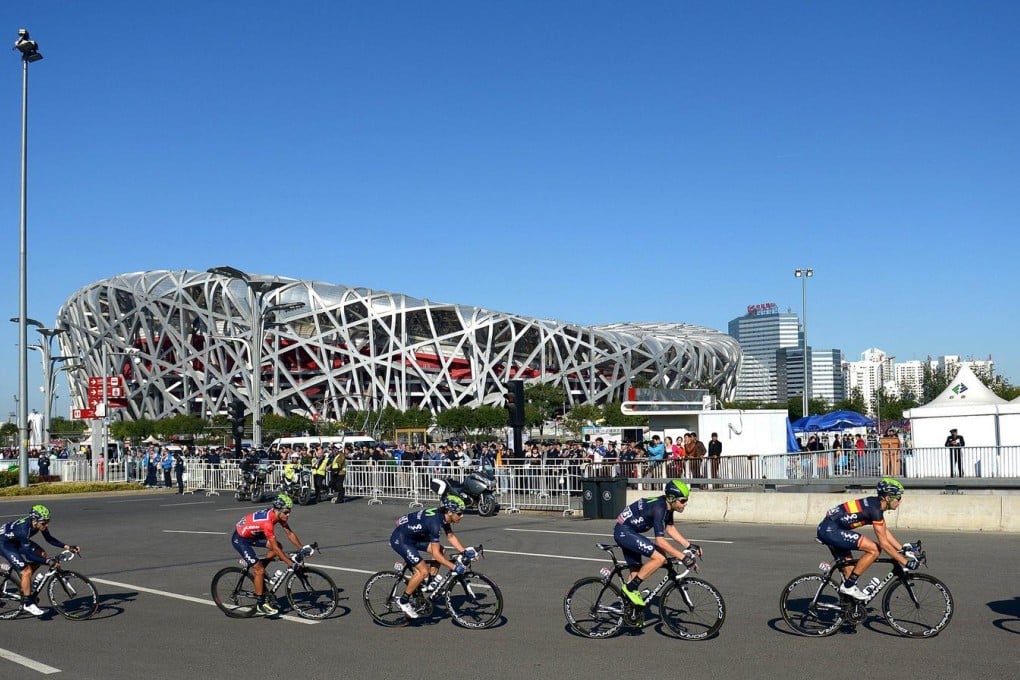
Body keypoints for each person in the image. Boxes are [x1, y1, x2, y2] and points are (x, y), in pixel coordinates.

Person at [816, 477, 915, 600]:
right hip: (830, 530)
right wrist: (905, 562)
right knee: (875, 549)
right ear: (888, 498)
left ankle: (848, 609)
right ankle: (848, 586)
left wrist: (903, 549)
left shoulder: (876, 504)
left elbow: (884, 531)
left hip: (831, 528)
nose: (900, 502)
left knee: (850, 571)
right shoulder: (875, 509)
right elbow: (884, 544)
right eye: (898, 498)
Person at [614, 480, 702, 607]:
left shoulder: (668, 506)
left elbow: (670, 528)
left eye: (686, 500)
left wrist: (689, 545)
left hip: (630, 531)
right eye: (682, 500)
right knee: (659, 558)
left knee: (642, 568)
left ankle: (630, 610)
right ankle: (630, 589)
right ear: (672, 498)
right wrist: (683, 557)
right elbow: (660, 541)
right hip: (624, 531)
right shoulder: (659, 508)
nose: (685, 504)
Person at [388, 494, 475, 619]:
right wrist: (454, 566)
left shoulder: (444, 517)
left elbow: (450, 536)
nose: (462, 516)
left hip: (414, 536)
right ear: (450, 512)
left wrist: (465, 551)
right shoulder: (435, 523)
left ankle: (430, 582)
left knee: (441, 549)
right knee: (422, 571)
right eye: (459, 513)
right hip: (401, 539)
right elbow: (436, 555)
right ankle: (403, 601)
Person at [231, 494, 305, 615]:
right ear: (277, 511)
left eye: (289, 512)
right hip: (241, 539)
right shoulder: (268, 523)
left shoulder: (278, 515)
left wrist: (302, 548)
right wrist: (290, 563)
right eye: (286, 512)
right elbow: (274, 548)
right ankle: (261, 604)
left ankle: (260, 566)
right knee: (259, 569)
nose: (288, 515)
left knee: (278, 548)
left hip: (254, 533)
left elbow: (289, 533)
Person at [0, 505, 81, 616]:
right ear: (34, 521)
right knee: (26, 570)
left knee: (42, 554)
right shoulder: (24, 530)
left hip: (16, 540)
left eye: (48, 521)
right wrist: (48, 562)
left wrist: (68, 547)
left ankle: (25, 582)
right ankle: (27, 603)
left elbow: (49, 539)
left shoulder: (38, 523)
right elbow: (29, 555)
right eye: (44, 523)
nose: (46, 525)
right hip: (4, 544)